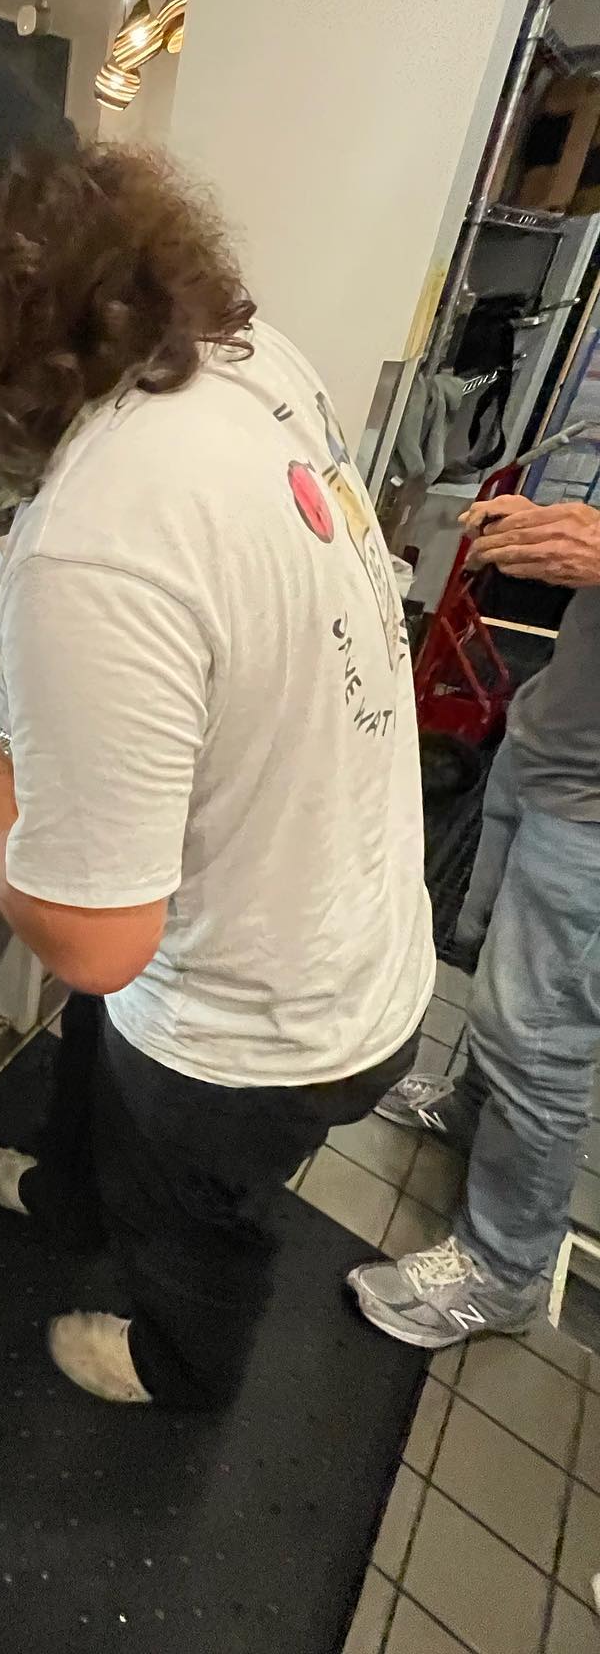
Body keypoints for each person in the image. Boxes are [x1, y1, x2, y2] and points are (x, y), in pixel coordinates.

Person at [0, 45, 433, 1411]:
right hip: (354, 931)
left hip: (261, 1034)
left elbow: (95, 946)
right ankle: (67, 1196)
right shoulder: (235, 359)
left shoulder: (98, 538)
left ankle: (181, 1363)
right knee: (94, 1079)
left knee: (193, 1207)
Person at [350, 492, 600, 1348]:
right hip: (554, 742)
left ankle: (504, 1270)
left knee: (540, 1034)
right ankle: (472, 1106)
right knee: (493, 960)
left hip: (592, 813)